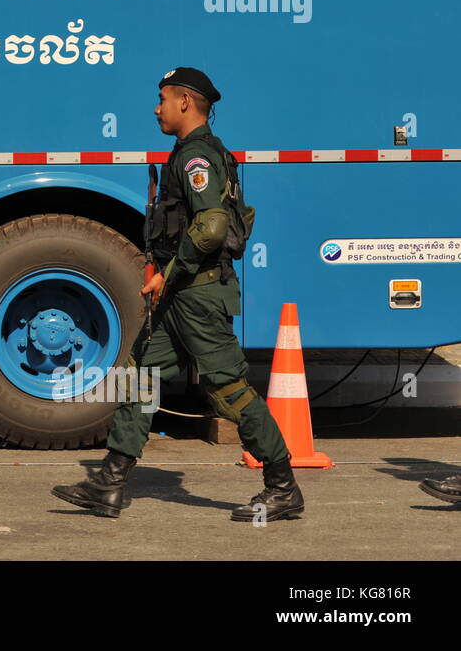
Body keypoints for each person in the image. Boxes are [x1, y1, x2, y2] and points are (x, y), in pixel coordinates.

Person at [52, 67, 303, 522]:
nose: (157, 107)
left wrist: (167, 274)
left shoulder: (197, 158)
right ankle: (109, 483)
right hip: (180, 295)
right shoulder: (191, 153)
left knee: (228, 390)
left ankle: (282, 485)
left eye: (163, 98)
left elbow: (211, 227)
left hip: (199, 294)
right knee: (137, 377)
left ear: (186, 101)